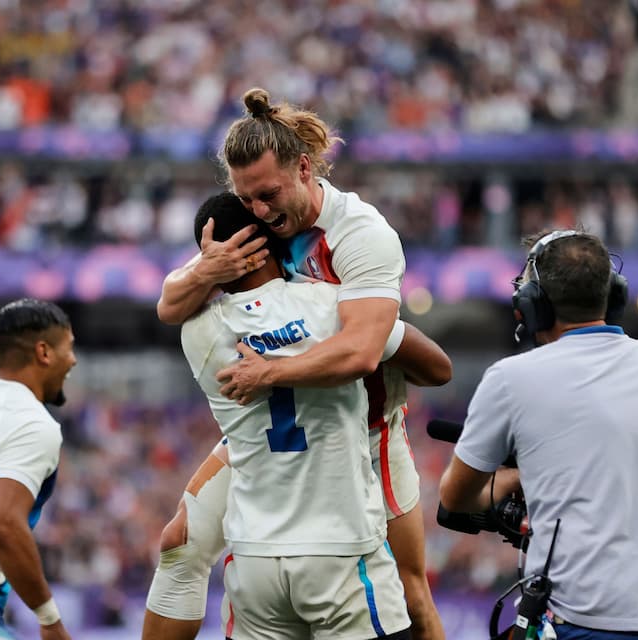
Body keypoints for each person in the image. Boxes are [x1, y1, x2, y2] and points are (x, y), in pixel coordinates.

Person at [147, 88, 448, 640]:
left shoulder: (360, 233)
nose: (259, 210)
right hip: (273, 429)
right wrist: (207, 271)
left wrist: (269, 371)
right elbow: (170, 304)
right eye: (246, 199)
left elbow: (363, 352)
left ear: (304, 169)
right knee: (180, 543)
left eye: (266, 195)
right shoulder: (252, 229)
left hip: (366, 425)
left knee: (408, 588)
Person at [439, 229, 638, 639]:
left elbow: (454, 496)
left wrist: (520, 477)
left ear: (532, 305)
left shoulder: (510, 380)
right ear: (614, 296)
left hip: (584, 619)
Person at [0, 299, 77, 640]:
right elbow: (2, 521)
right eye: (69, 348)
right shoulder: (33, 423)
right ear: (44, 352)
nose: (72, 361)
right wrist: (49, 618)